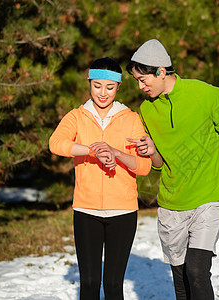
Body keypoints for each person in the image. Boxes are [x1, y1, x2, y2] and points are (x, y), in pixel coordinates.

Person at [125, 39, 219, 300]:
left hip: (208, 197)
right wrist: (152, 151)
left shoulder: (206, 94)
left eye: (143, 79)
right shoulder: (147, 110)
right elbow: (159, 164)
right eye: (137, 80)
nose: (140, 86)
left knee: (197, 270)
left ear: (161, 71)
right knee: (181, 280)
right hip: (171, 202)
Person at [49, 57, 152, 300]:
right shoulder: (76, 116)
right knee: (90, 283)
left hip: (123, 212)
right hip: (86, 210)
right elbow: (56, 143)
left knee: (114, 286)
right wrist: (92, 150)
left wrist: (117, 154)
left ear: (118, 87)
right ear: (89, 83)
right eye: (97, 85)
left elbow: (145, 166)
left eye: (109, 87)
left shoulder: (132, 119)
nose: (102, 93)